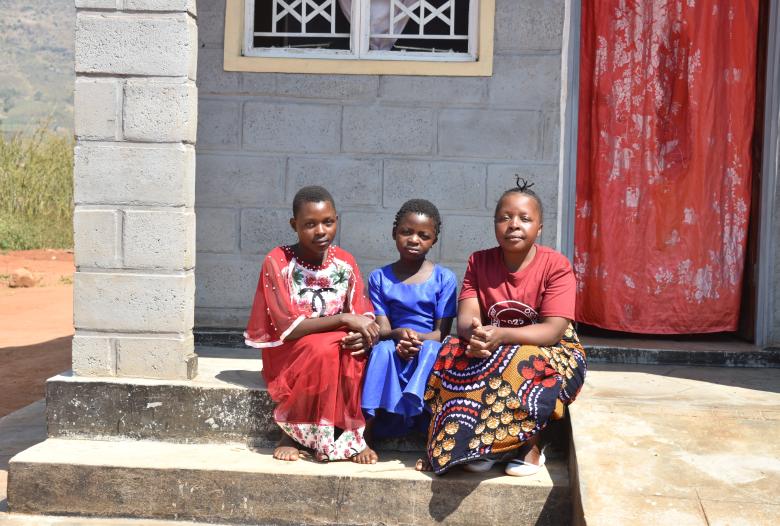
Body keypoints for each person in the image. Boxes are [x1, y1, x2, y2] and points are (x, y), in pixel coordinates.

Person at [419, 177, 587, 476]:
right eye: (504, 217)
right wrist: (475, 336)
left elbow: (552, 331)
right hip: (494, 343)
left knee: (521, 359)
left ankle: (530, 446)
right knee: (451, 355)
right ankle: (477, 445)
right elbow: (468, 317)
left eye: (525, 218)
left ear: (540, 228)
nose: (514, 224)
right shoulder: (479, 262)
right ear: (494, 224)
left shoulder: (557, 266)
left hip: (555, 350)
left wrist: (501, 336)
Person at [244, 185, 380, 463]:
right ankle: (291, 433)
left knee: (353, 351)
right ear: (294, 225)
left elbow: (362, 313)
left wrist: (362, 336)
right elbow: (288, 328)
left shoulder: (345, 261)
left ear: (337, 221)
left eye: (328, 222)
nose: (321, 231)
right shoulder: (278, 261)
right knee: (323, 351)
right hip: (290, 351)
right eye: (310, 224)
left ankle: (349, 435)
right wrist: (343, 319)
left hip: (333, 344)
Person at [360, 199, 458, 460]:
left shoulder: (444, 278)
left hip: (427, 345)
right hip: (393, 342)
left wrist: (416, 340)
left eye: (423, 235)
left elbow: (442, 333)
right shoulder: (379, 277)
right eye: (407, 232)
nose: (414, 239)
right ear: (394, 233)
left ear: (434, 240)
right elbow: (382, 330)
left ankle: (431, 439)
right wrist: (399, 335)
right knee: (381, 351)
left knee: (434, 349)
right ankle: (366, 434)